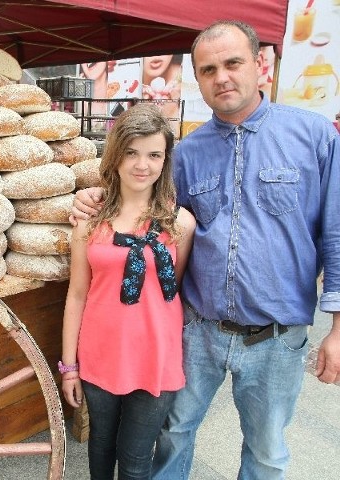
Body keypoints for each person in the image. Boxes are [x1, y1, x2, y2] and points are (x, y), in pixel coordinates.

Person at [71, 20, 340, 479]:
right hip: (199, 332)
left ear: (261, 65)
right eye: (209, 69)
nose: (222, 78)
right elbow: (148, 211)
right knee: (174, 434)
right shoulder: (188, 153)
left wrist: (338, 327)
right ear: (198, 78)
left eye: (233, 63)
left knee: (267, 451)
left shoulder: (315, 138)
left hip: (277, 337)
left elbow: (335, 234)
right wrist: (95, 194)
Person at [60, 103, 195, 480]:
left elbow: (173, 290)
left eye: (154, 154)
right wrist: (69, 366)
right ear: (116, 156)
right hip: (100, 353)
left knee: (136, 459)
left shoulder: (180, 224)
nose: (142, 165)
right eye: (132, 153)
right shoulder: (88, 226)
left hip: (156, 355)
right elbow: (77, 295)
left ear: (165, 159)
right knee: (101, 445)